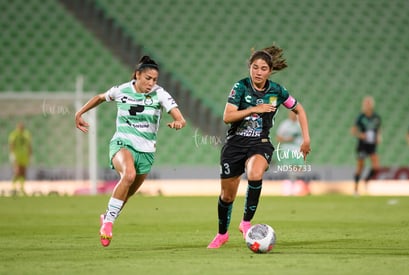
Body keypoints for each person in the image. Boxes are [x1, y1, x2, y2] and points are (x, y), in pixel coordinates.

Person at [75, 56, 186, 247]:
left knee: (128, 192)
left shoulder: (160, 94)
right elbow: (100, 98)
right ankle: (108, 224)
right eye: (148, 78)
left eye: (154, 80)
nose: (151, 83)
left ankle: (107, 216)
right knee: (128, 175)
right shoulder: (121, 90)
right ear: (137, 75)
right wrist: (79, 113)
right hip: (122, 143)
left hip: (146, 151)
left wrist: (178, 123)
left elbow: (180, 118)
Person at [207, 45, 311, 249]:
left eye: (263, 68)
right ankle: (222, 234)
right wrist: (255, 109)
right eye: (255, 67)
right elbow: (227, 117)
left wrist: (306, 139)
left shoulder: (277, 91)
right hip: (235, 143)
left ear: (270, 71)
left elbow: (299, 109)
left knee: (255, 173)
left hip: (260, 143)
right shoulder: (240, 87)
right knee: (227, 195)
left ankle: (246, 223)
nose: (258, 72)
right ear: (250, 68)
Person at [350, 96, 381, 196]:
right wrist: (361, 135)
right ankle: (355, 189)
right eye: (366, 103)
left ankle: (366, 180)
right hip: (362, 144)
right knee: (360, 166)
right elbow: (353, 130)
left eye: (369, 103)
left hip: (372, 144)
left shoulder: (376, 117)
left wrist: (379, 137)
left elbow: (378, 129)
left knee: (376, 166)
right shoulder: (361, 117)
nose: (367, 105)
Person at [276, 110, 309, 196]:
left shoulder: (300, 124)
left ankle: (298, 187)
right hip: (287, 149)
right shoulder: (285, 124)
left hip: (298, 149)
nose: (292, 115)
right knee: (289, 169)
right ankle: (290, 188)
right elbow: (278, 138)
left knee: (299, 169)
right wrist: (287, 140)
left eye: (294, 114)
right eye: (291, 114)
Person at [8, 122, 32, 196]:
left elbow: (29, 145)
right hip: (17, 155)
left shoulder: (26, 134)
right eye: (20, 127)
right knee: (17, 171)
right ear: (17, 127)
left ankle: (22, 188)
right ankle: (13, 187)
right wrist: (12, 154)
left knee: (23, 172)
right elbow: (11, 144)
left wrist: (30, 155)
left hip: (24, 156)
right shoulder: (14, 134)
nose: (21, 128)